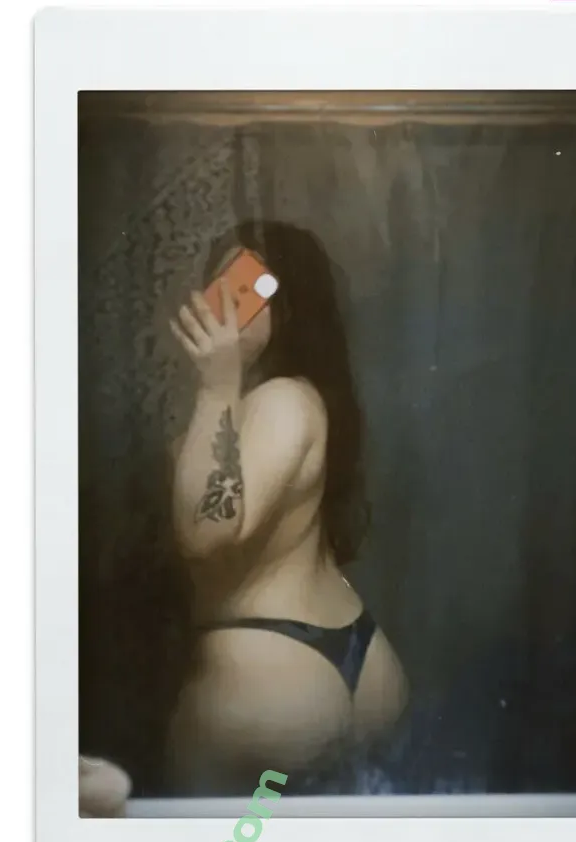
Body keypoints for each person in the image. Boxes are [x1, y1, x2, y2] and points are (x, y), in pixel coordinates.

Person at [165, 221, 407, 794]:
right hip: (346, 661)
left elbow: (206, 533)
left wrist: (215, 386)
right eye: (222, 282)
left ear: (290, 308)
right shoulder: (291, 401)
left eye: (255, 285)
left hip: (270, 674)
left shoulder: (280, 399)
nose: (233, 299)